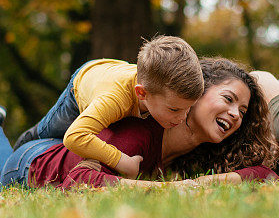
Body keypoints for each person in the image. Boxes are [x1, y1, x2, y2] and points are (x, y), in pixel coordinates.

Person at [0, 58, 279, 190]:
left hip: (72, 148)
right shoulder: (140, 128)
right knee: (4, 171)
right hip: (33, 165)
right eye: (228, 99)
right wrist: (169, 191)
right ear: (195, 92)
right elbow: (79, 183)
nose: (236, 114)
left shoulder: (197, 152)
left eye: (242, 110)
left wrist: (198, 186)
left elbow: (265, 175)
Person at [10, 36, 204, 179]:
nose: (182, 118)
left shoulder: (160, 92)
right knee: (49, 132)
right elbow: (74, 137)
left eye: (188, 109)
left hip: (114, 71)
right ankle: (18, 152)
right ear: (142, 93)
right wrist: (121, 161)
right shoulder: (114, 100)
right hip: (82, 84)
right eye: (174, 110)